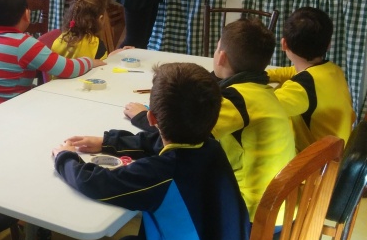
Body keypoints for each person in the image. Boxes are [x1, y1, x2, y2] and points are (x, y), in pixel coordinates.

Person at [52, 62, 250, 240]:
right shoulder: (212, 147)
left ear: (151, 117)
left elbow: (96, 183)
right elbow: (156, 142)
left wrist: (64, 158)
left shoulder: (161, 173)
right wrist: (108, 141)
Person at [124, 18, 294, 220]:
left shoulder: (236, 100)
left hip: (251, 213)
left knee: (169, 184)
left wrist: (141, 116)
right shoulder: (261, 91)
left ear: (221, 57)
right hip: (279, 205)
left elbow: (182, 132)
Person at [0, 0, 104, 113]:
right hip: (6, 115)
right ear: (26, 14)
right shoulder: (24, 44)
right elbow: (67, 68)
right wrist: (90, 62)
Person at [269, 7, 355, 151]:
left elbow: (263, 106)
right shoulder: (333, 70)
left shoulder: (302, 88)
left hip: (317, 162)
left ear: (284, 44)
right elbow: (294, 71)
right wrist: (265, 75)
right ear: (329, 44)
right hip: (339, 153)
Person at [50, 0, 132, 61]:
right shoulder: (96, 45)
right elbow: (102, 68)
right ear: (100, 19)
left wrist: (113, 54)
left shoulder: (58, 41)